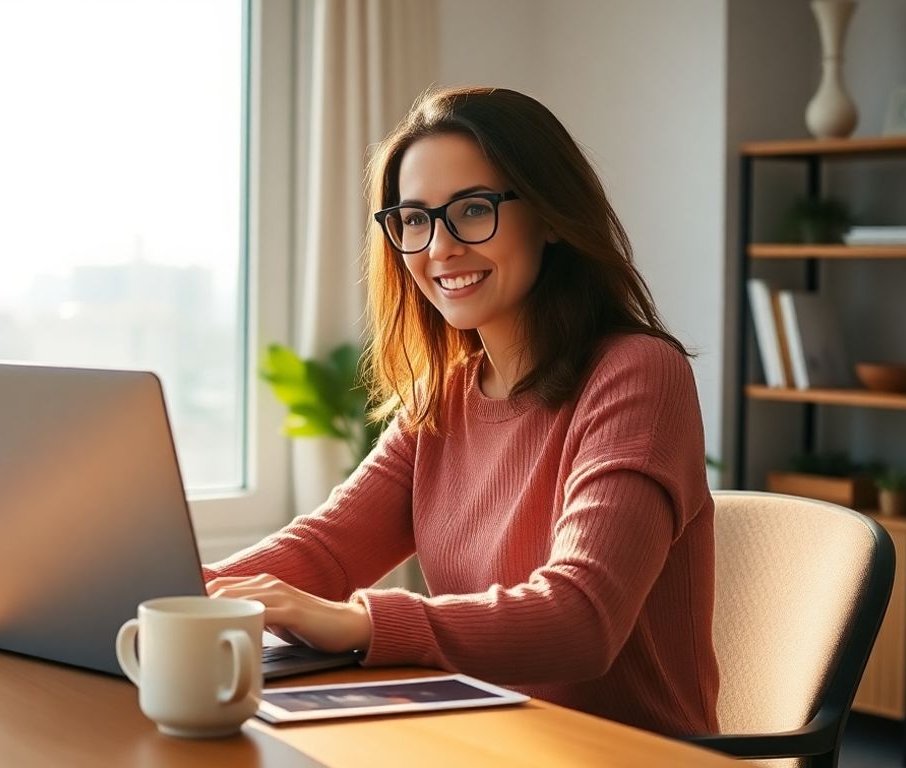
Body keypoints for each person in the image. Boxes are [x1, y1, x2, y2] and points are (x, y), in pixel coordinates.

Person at [204, 86, 718, 736]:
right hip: (484, 739)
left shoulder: (637, 374)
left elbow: (582, 618)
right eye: (414, 219)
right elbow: (326, 550)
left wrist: (360, 621)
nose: (438, 247)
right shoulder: (443, 396)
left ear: (552, 216)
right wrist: (168, 590)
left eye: (473, 210)